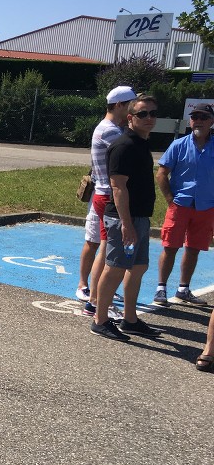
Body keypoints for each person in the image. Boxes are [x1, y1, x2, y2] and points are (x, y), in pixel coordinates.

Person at [90, 94, 163, 341]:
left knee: (139, 267)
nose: (149, 118)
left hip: (140, 217)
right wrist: (127, 224)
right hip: (124, 219)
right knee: (115, 268)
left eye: (153, 113)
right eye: (143, 114)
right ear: (130, 118)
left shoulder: (142, 143)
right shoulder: (124, 146)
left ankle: (130, 319)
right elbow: (118, 187)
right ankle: (100, 320)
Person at [78, 85, 136, 318]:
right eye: (133, 107)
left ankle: (96, 297)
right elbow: (130, 153)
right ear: (120, 105)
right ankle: (96, 300)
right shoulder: (110, 131)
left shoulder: (111, 128)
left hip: (105, 193)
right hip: (108, 194)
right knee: (107, 249)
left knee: (103, 246)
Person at [152, 102, 214, 307]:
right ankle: (161, 288)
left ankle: (183, 289)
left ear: (211, 122)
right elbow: (161, 174)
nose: (199, 121)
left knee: (194, 248)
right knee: (170, 247)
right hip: (180, 205)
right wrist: (170, 199)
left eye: (204, 117)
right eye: (195, 117)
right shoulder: (178, 145)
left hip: (206, 207)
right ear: (190, 121)